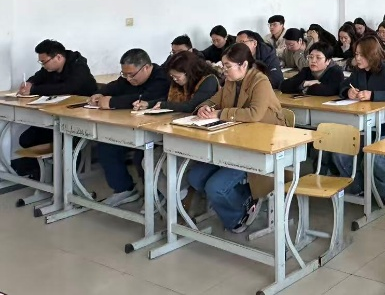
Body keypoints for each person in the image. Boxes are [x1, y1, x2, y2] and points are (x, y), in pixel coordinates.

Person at [190, 43, 286, 233]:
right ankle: (245, 199)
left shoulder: (260, 81)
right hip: (235, 141)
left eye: (228, 66)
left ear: (243, 65)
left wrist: (219, 114)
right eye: (223, 66)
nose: (224, 70)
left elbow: (254, 114)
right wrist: (204, 107)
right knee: (195, 176)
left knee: (215, 187)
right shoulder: (231, 81)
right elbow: (214, 100)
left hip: (261, 144)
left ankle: (237, 217)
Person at [89, 49, 170, 207]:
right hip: (129, 125)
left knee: (142, 157)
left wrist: (112, 102)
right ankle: (123, 188)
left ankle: (156, 195)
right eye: (125, 74)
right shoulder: (128, 78)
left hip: (155, 130)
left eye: (132, 75)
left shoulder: (162, 78)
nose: (128, 79)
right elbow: (113, 87)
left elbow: (145, 98)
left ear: (146, 67)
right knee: (106, 145)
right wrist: (99, 94)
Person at [12, 40, 98, 179]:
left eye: (44, 62)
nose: (43, 65)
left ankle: (67, 179)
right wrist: (29, 83)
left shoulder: (79, 66)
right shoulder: (49, 68)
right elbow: (38, 77)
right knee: (26, 139)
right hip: (57, 114)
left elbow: (68, 88)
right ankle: (42, 174)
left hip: (81, 116)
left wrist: (34, 90)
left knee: (65, 142)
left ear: (58, 57)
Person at [337, 36, 385, 203]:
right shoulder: (358, 72)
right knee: (341, 152)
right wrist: (348, 92)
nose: (357, 58)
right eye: (356, 54)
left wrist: (373, 95)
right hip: (365, 129)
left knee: (376, 158)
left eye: (361, 55)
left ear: (372, 55)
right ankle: (360, 187)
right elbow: (343, 85)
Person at [133, 50, 219, 113]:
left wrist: (163, 105)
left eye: (177, 77)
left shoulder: (209, 80)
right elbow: (171, 99)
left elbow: (192, 106)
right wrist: (148, 104)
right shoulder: (180, 81)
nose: (174, 79)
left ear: (188, 73)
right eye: (172, 76)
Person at [280, 42, 345, 96]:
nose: (313, 61)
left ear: (328, 61)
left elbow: (329, 91)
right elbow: (283, 86)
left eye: (318, 58)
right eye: (311, 57)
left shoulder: (336, 72)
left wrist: (304, 89)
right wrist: (305, 83)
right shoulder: (306, 71)